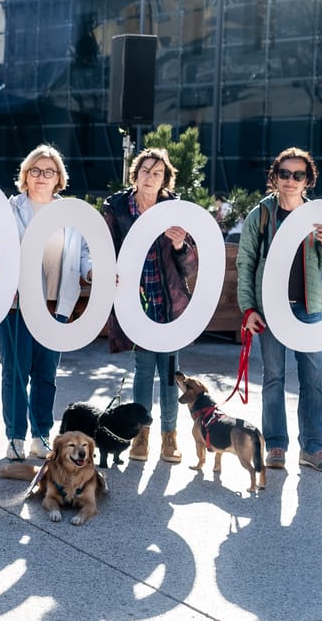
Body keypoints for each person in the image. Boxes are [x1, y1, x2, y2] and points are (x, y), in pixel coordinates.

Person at [236, 147, 322, 473]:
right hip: (271, 309)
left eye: (298, 175)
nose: (290, 181)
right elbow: (246, 262)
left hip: (309, 308)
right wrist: (248, 308)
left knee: (313, 379)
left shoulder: (315, 216)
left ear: (308, 180)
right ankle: (276, 446)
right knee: (274, 378)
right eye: (285, 174)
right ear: (274, 177)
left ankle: (313, 448)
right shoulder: (262, 215)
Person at [103, 147, 198, 464]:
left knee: (170, 373)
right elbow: (106, 249)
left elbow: (191, 263)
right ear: (136, 173)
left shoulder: (175, 210)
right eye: (145, 170)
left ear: (164, 179)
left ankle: (169, 437)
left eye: (157, 173)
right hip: (137, 301)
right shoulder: (118, 207)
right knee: (143, 371)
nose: (150, 177)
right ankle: (140, 435)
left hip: (168, 303)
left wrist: (180, 244)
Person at [0, 145, 92, 461]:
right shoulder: (10, 209)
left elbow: (82, 253)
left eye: (48, 171)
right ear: (25, 175)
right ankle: (14, 438)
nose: (41, 176)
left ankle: (41, 434)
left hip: (56, 304)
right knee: (15, 372)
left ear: (58, 179)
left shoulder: (71, 214)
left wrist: (92, 271)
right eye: (35, 170)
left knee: (46, 374)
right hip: (18, 303)